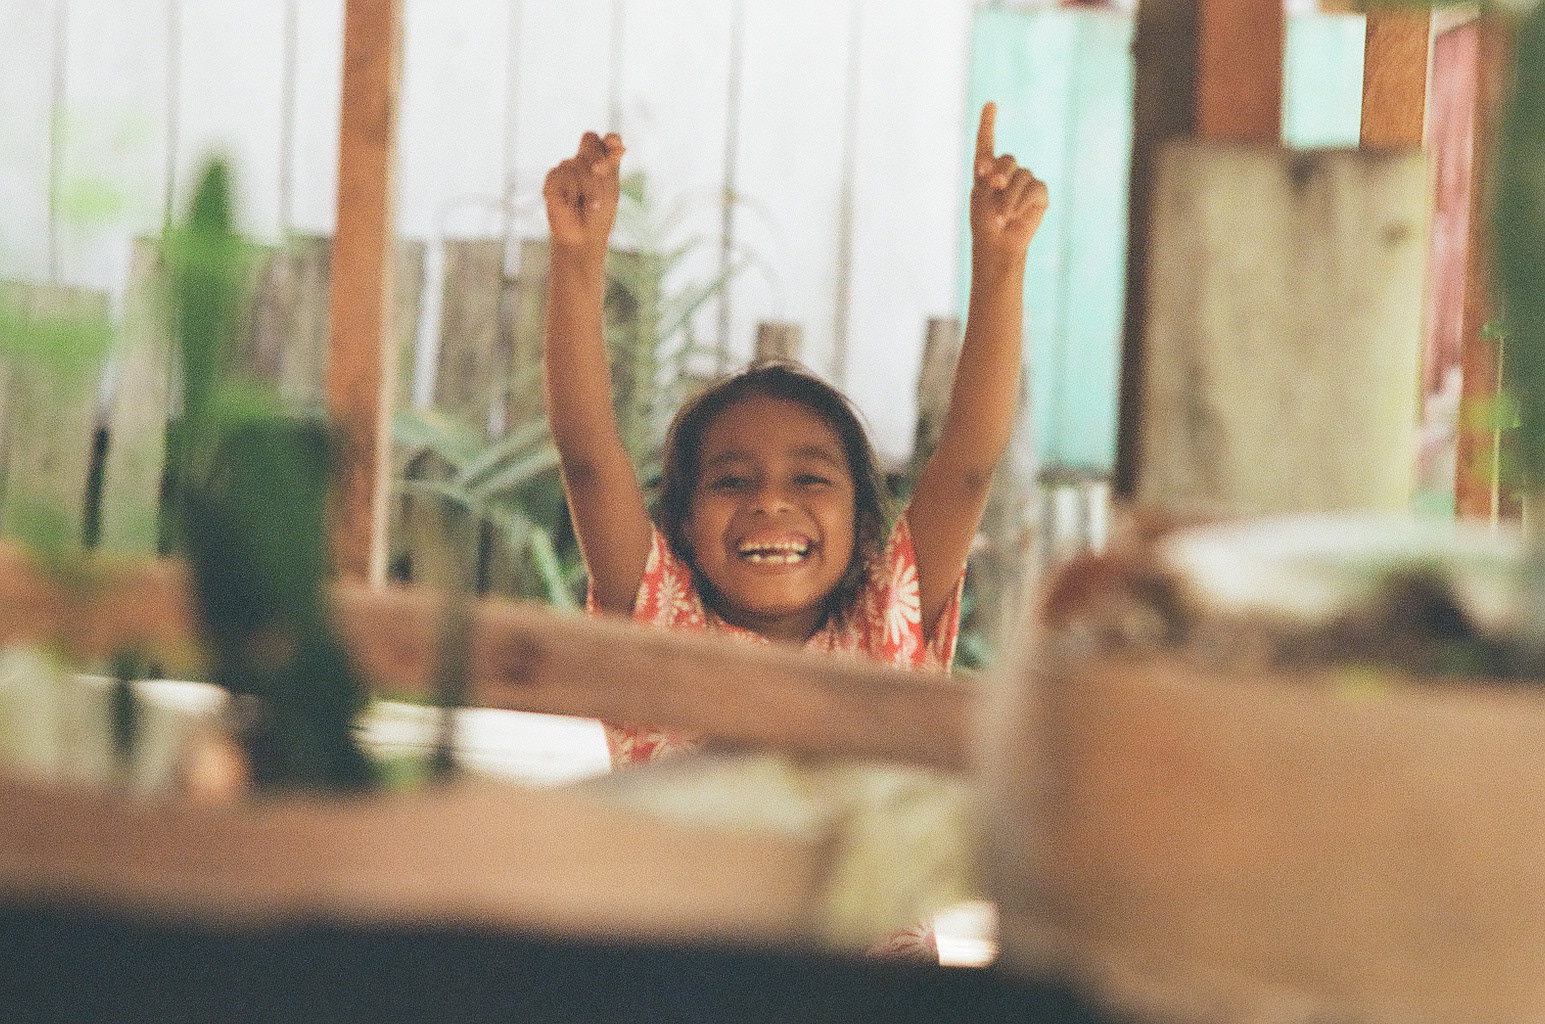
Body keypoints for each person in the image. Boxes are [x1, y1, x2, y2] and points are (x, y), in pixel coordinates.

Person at [542, 102, 1046, 765]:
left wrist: (1001, 262)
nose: (771, 500)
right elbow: (587, 460)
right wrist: (577, 256)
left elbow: (968, 465)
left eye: (809, 477)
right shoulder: (661, 628)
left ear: (864, 527)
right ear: (683, 524)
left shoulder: (885, 627)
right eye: (730, 480)